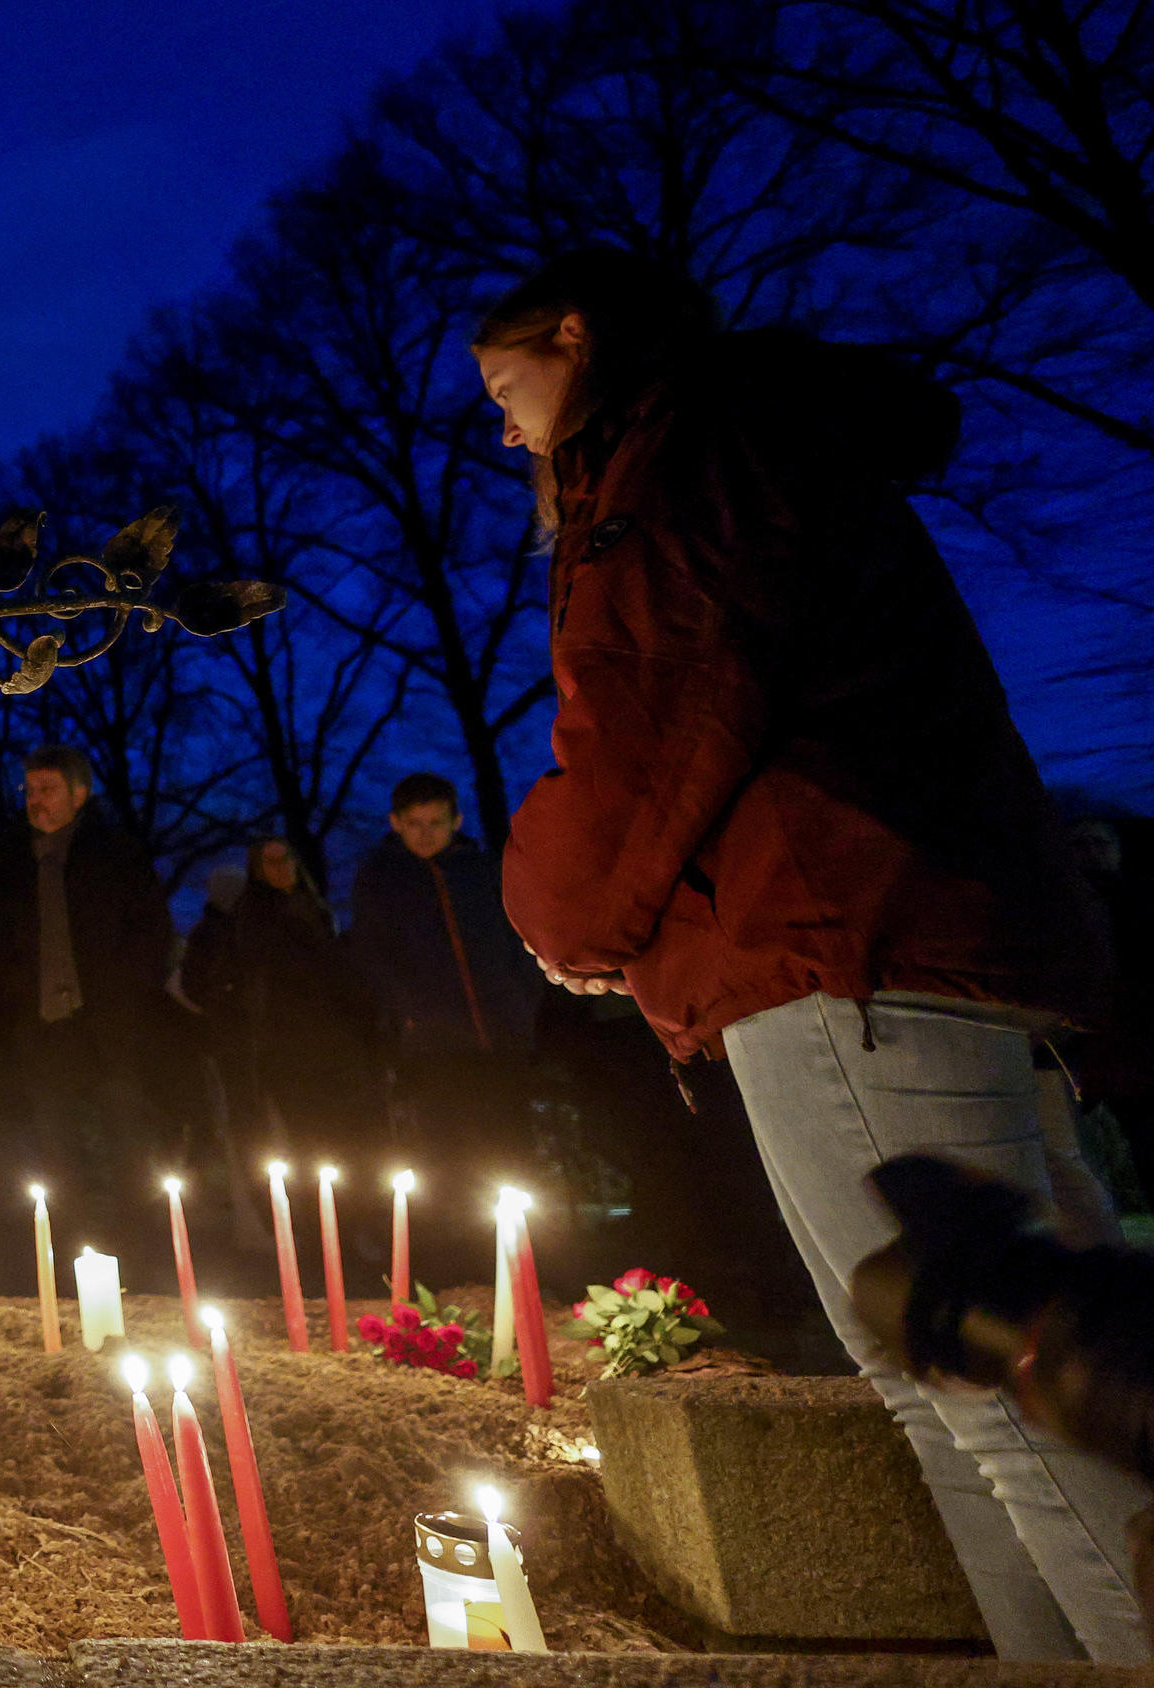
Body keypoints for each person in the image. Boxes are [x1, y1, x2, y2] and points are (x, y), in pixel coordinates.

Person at [484, 249, 1142, 1661]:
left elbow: (661, 714)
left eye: (505, 384)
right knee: (1045, 1353)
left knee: (987, 1372)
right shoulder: (769, 447)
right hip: (924, 937)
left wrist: (569, 918)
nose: (501, 426)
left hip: (839, 945)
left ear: (577, 338)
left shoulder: (681, 467)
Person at [348, 773, 549, 1271]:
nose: (424, 834)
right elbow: (371, 957)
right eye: (413, 824)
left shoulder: (481, 871)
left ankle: (525, 1265)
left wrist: (523, 1005)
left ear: (456, 820)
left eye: (436, 822)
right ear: (394, 823)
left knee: (511, 1151)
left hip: (500, 1040)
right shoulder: (380, 879)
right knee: (448, 1156)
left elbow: (519, 939)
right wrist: (406, 1016)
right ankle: (461, 1266)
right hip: (433, 1049)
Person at [0, 746, 179, 1201]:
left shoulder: (116, 853)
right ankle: (67, 1250)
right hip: (42, 1030)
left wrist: (125, 992)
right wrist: (14, 988)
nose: (35, 799)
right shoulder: (9, 859)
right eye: (29, 789)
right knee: (56, 1154)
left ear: (79, 794)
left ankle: (140, 1245)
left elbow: (152, 931)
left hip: (109, 1025)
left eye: (48, 789)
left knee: (130, 1145)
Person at [183, 837, 378, 1163]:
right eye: (270, 862)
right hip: (288, 1043)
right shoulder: (253, 921)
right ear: (257, 871)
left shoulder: (314, 907)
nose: (282, 868)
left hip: (335, 1038)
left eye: (286, 858)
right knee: (310, 1137)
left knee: (348, 1133)